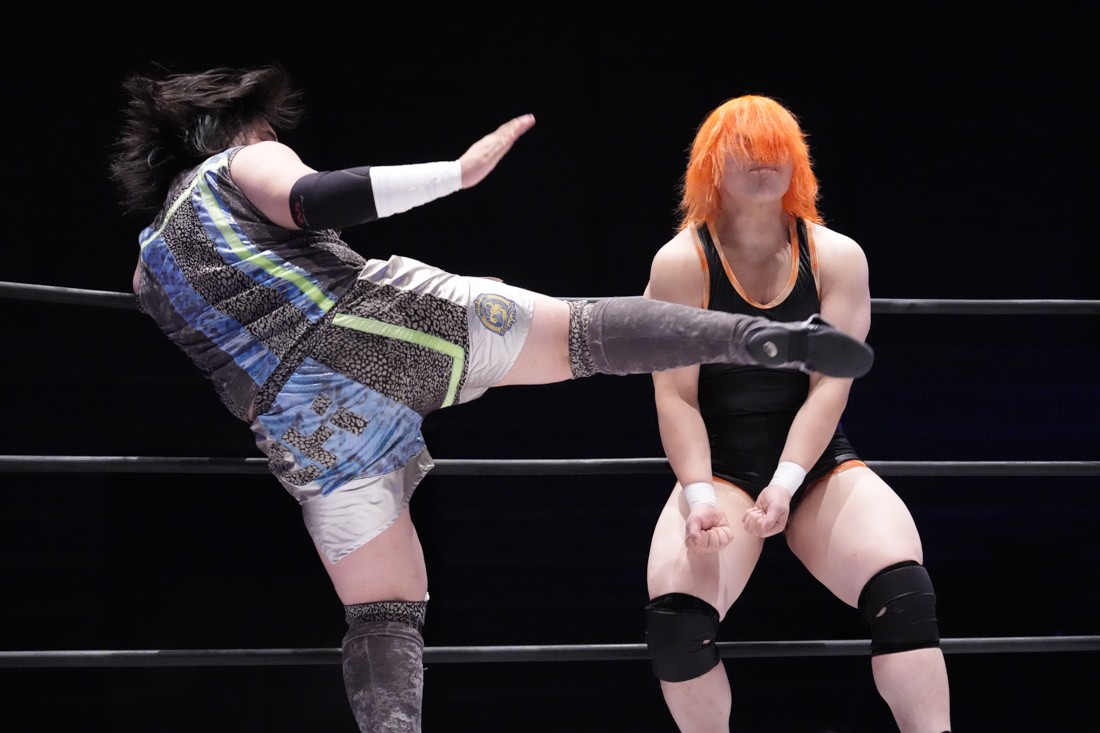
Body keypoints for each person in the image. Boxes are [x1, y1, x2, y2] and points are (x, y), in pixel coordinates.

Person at [108, 65, 873, 733]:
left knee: (384, 611)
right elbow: (310, 198)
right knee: (583, 334)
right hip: (374, 329)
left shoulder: (149, 270)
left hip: (307, 426)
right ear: (232, 128)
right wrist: (455, 173)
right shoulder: (239, 161)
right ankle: (755, 336)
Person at [641, 94, 952, 733]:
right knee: (677, 625)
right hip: (719, 466)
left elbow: (832, 385)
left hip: (816, 460)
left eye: (776, 149)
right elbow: (675, 395)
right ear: (711, 165)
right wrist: (699, 496)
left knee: (903, 594)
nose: (764, 161)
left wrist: (786, 482)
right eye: (746, 150)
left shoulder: (837, 255)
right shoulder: (681, 262)